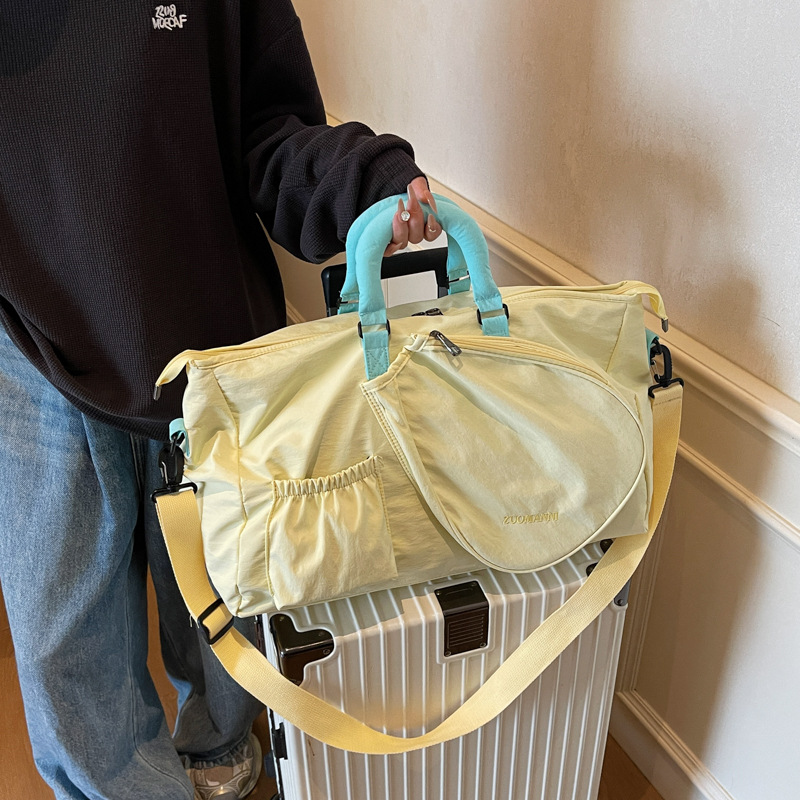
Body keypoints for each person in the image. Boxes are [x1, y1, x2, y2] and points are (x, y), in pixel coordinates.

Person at [0, 2, 440, 798]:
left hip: (208, 343)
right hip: (27, 342)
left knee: (226, 616)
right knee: (66, 661)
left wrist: (360, 179)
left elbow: (265, 127)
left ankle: (222, 761)